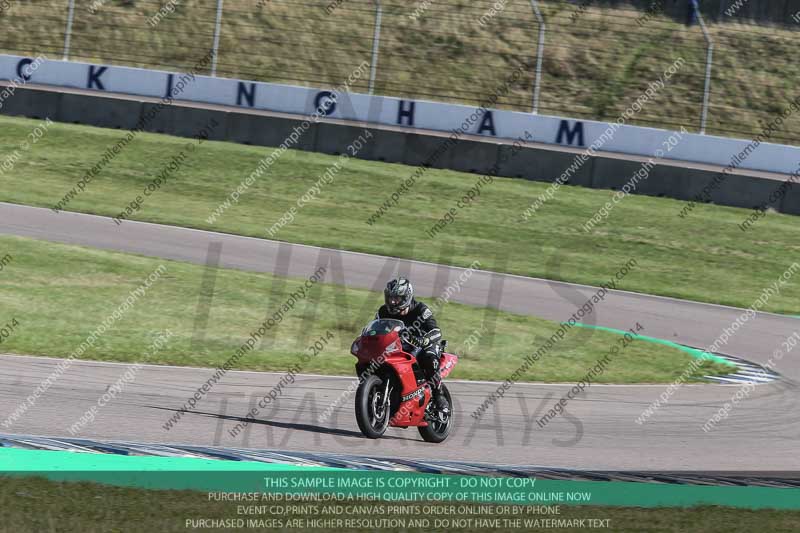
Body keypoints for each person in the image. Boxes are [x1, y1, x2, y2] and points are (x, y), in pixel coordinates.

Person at [376, 278, 448, 412]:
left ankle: (439, 395)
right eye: (390, 298)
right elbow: (376, 329)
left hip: (423, 345)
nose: (392, 302)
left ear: (406, 297)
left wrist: (423, 340)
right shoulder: (383, 311)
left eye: (397, 298)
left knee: (429, 357)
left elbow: (436, 331)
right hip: (399, 346)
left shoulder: (421, 310)